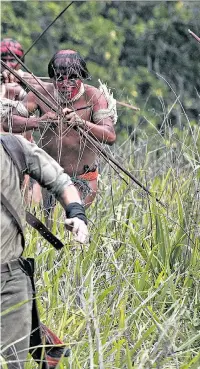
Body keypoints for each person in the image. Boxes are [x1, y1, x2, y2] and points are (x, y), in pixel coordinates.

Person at [1, 131, 89, 368]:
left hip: (10, 282)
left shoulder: (13, 148)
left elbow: (60, 181)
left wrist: (77, 215)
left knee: (12, 364)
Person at [3, 49, 117, 214]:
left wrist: (81, 123)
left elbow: (110, 135)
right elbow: (8, 122)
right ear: (53, 78)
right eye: (60, 79)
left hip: (82, 178)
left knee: (68, 220)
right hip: (49, 176)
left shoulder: (93, 97)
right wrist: (38, 122)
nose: (65, 84)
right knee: (47, 226)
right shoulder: (41, 93)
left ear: (81, 77)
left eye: (72, 79)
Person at [0, 37, 43, 203]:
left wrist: (22, 81)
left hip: (25, 149)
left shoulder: (29, 81)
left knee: (31, 203)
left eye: (13, 60)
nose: (9, 64)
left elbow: (44, 90)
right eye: (4, 60)